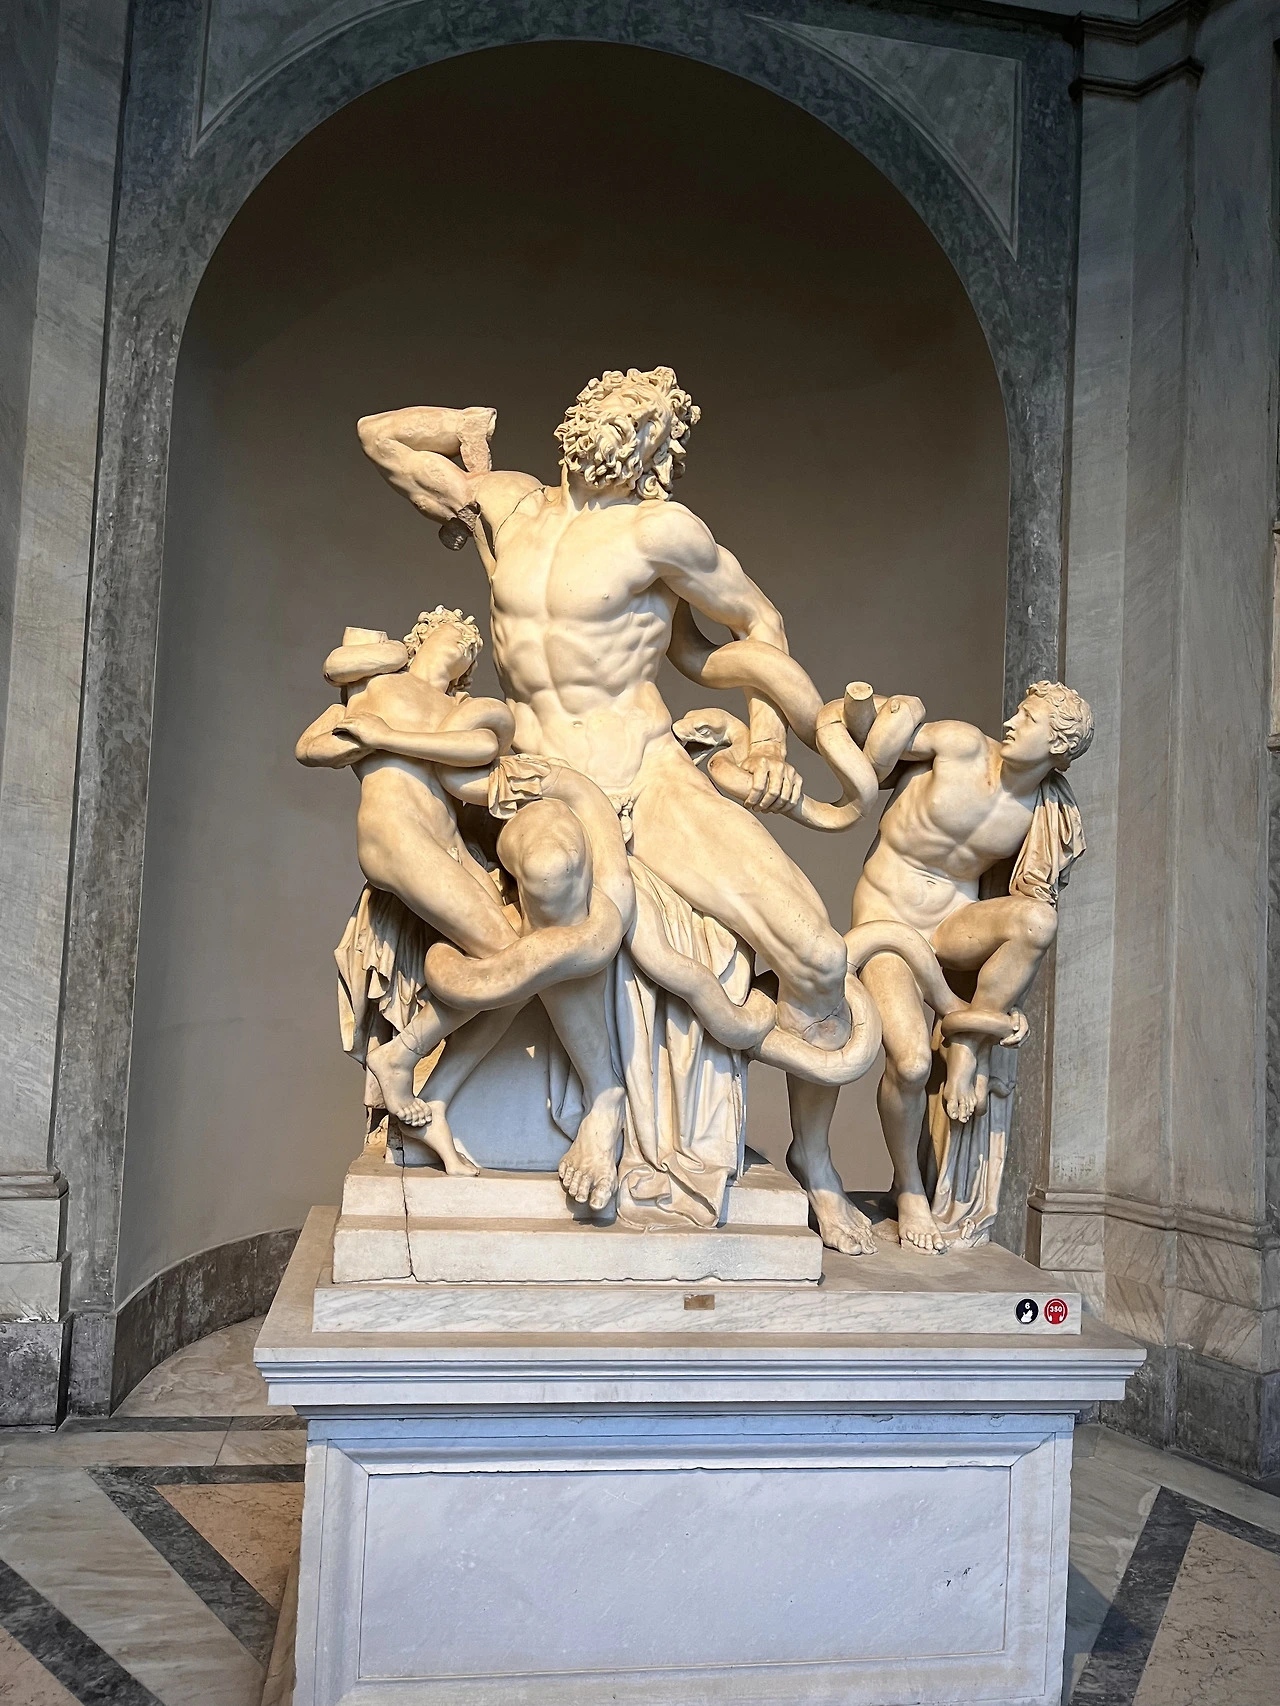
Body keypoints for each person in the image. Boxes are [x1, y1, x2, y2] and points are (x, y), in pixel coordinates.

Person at [354, 369, 885, 1248]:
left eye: (642, 427)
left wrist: (765, 743)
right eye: (609, 412)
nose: (619, 431)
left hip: (649, 770)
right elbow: (381, 435)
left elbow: (761, 624)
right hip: (543, 775)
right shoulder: (507, 506)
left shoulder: (660, 531)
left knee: (818, 954)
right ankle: (604, 1101)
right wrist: (464, 422)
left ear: (657, 455)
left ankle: (815, 1160)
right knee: (553, 873)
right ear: (576, 419)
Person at [296, 606, 624, 1181]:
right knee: (512, 962)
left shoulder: (462, 709)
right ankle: (402, 1057)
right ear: (424, 635)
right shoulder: (376, 685)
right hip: (395, 835)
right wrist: (359, 740)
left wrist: (385, 737)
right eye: (458, 634)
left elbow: (479, 751)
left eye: (474, 647)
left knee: (516, 970)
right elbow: (311, 746)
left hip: (451, 846)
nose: (466, 647)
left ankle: (432, 1095)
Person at [845, 681, 1093, 1251]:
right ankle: (909, 1188)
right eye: (1018, 711)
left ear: (1058, 746)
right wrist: (877, 709)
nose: (1010, 722)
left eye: (1028, 719)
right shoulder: (959, 745)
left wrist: (998, 1014)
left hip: (952, 926)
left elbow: (1030, 901)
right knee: (910, 1064)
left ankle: (968, 1041)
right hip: (887, 922)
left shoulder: (1044, 813)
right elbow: (871, 749)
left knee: (1037, 921)